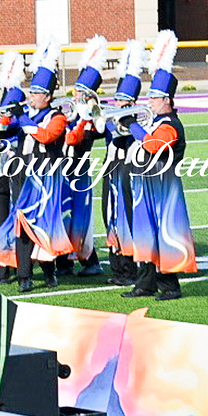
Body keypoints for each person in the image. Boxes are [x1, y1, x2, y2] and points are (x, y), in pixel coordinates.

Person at [0, 41, 73, 292]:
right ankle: (24, 276)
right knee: (23, 226)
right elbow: (5, 134)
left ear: (48, 96)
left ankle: (49, 271)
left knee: (44, 225)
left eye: (37, 93)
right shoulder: (27, 116)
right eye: (32, 91)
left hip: (45, 179)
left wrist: (22, 116)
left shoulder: (57, 117)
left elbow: (45, 136)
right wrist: (5, 118)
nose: (32, 96)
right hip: (22, 176)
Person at [123, 30, 197, 299]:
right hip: (146, 184)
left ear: (167, 99)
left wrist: (133, 126)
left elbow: (154, 146)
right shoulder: (154, 122)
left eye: (154, 97)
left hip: (165, 188)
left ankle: (170, 285)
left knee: (166, 235)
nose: (150, 102)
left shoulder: (171, 125)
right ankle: (145, 283)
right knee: (145, 234)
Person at [95, 43, 145, 287]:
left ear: (132, 101)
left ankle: (131, 268)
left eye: (123, 100)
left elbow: (139, 140)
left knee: (127, 219)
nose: (118, 104)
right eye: (117, 100)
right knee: (110, 217)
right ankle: (117, 267)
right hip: (111, 171)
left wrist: (126, 122)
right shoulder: (112, 117)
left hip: (128, 173)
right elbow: (98, 130)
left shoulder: (138, 120)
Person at [58, 36, 109, 278]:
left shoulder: (92, 118)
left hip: (78, 172)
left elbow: (79, 138)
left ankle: (90, 261)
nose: (76, 94)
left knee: (80, 219)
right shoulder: (72, 113)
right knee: (62, 215)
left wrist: (86, 116)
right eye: (76, 90)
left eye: (81, 91)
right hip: (62, 170)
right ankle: (63, 262)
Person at [0, 51, 26, 285]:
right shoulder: (4, 96)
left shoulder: (16, 98)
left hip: (14, 167)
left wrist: (2, 130)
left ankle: (22, 268)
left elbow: (15, 130)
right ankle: (1, 270)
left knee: (17, 220)